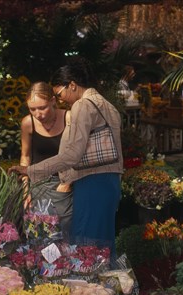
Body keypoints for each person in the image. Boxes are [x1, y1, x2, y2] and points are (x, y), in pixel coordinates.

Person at [10, 60, 123, 256]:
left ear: (72, 85)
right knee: (103, 246)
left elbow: (72, 155)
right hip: (110, 182)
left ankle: (90, 286)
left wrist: (30, 171)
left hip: (91, 182)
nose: (62, 100)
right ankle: (110, 285)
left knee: (86, 249)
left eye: (60, 94)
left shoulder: (83, 105)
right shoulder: (107, 105)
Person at [19, 82, 73, 238]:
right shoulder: (28, 123)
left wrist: (67, 183)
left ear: (53, 101)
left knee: (64, 237)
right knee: (38, 237)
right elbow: (25, 157)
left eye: (42, 108)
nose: (38, 114)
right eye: (32, 109)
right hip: (38, 187)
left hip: (63, 187)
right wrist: (25, 190)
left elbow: (78, 153)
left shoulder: (68, 118)